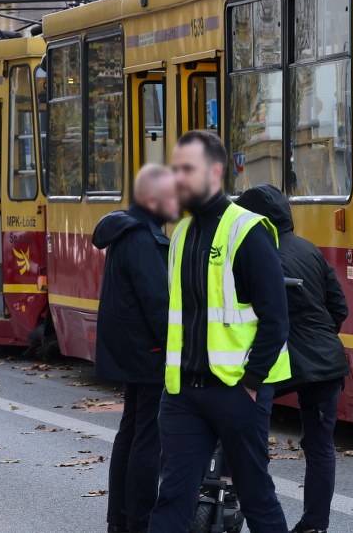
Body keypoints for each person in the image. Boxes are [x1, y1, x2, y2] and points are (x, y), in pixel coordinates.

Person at [147, 130, 291, 533]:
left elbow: (276, 317)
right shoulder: (180, 235)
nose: (178, 178)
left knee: (256, 496)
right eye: (175, 170)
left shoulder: (246, 230)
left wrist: (252, 381)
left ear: (215, 171)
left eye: (187, 170)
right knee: (173, 498)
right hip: (182, 396)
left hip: (236, 391)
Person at [236, 184, 349, 533]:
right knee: (319, 444)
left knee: (247, 438)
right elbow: (339, 309)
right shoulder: (310, 250)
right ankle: (315, 524)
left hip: (278, 362)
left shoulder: (254, 253)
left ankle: (247, 512)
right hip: (327, 362)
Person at [94, 164, 180, 533]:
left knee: (130, 432)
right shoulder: (144, 238)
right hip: (148, 351)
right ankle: (140, 520)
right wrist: (176, 349)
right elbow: (157, 303)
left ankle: (121, 518)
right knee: (149, 437)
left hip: (128, 348)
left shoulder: (125, 232)